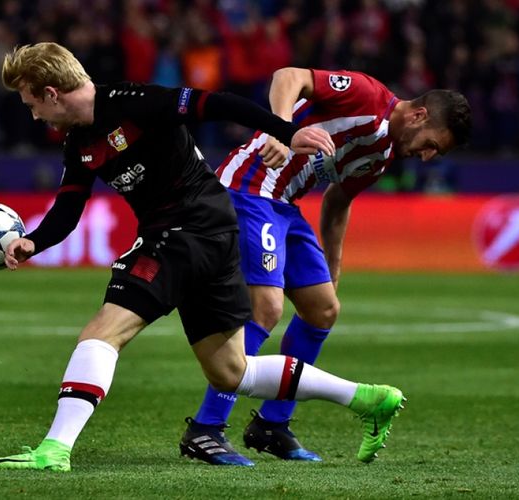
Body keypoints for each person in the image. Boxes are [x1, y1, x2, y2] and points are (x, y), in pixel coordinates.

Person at [0, 42, 401, 473]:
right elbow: (68, 209)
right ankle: (367, 398)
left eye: (32, 104)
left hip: (183, 231)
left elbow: (218, 103)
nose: (34, 116)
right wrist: (33, 241)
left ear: (52, 93)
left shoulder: (135, 102)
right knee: (231, 372)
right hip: (213, 233)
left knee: (102, 334)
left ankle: (53, 450)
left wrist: (285, 132)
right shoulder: (79, 143)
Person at [180, 67, 471, 466]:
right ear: (420, 116)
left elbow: (338, 200)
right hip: (249, 186)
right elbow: (288, 76)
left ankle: (271, 425)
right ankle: (206, 428)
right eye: (431, 145)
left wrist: (333, 264)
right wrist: (279, 129)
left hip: (285, 205)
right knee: (266, 308)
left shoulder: (382, 156)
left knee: (324, 308)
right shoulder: (366, 96)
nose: (427, 156)